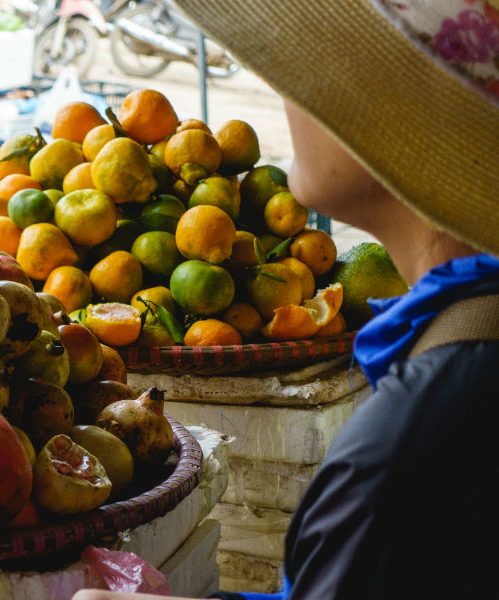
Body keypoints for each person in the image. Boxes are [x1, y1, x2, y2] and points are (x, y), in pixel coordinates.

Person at [74, 0, 499, 598]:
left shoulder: (418, 437)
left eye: (311, 79)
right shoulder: (458, 352)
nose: (288, 100)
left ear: (381, 116)